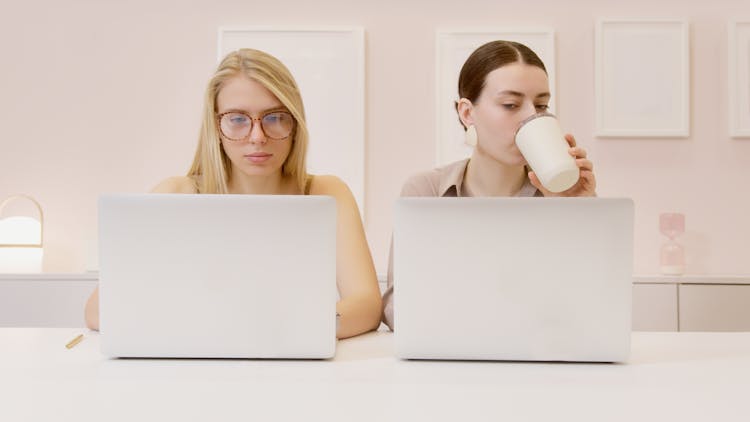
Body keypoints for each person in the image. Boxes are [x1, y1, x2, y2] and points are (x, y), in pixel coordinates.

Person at [85, 48, 382, 339]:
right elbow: (98, 310)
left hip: (296, 365)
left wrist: (293, 328)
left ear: (295, 125)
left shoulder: (326, 193)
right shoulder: (176, 195)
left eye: (275, 117)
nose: (257, 137)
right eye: (238, 119)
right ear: (215, 126)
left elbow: (367, 305)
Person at [381, 40, 597, 330]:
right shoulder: (427, 191)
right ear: (467, 113)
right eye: (511, 105)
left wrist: (578, 210)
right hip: (449, 358)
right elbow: (398, 311)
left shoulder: (560, 195)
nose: (530, 116)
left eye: (542, 105)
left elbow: (592, 305)